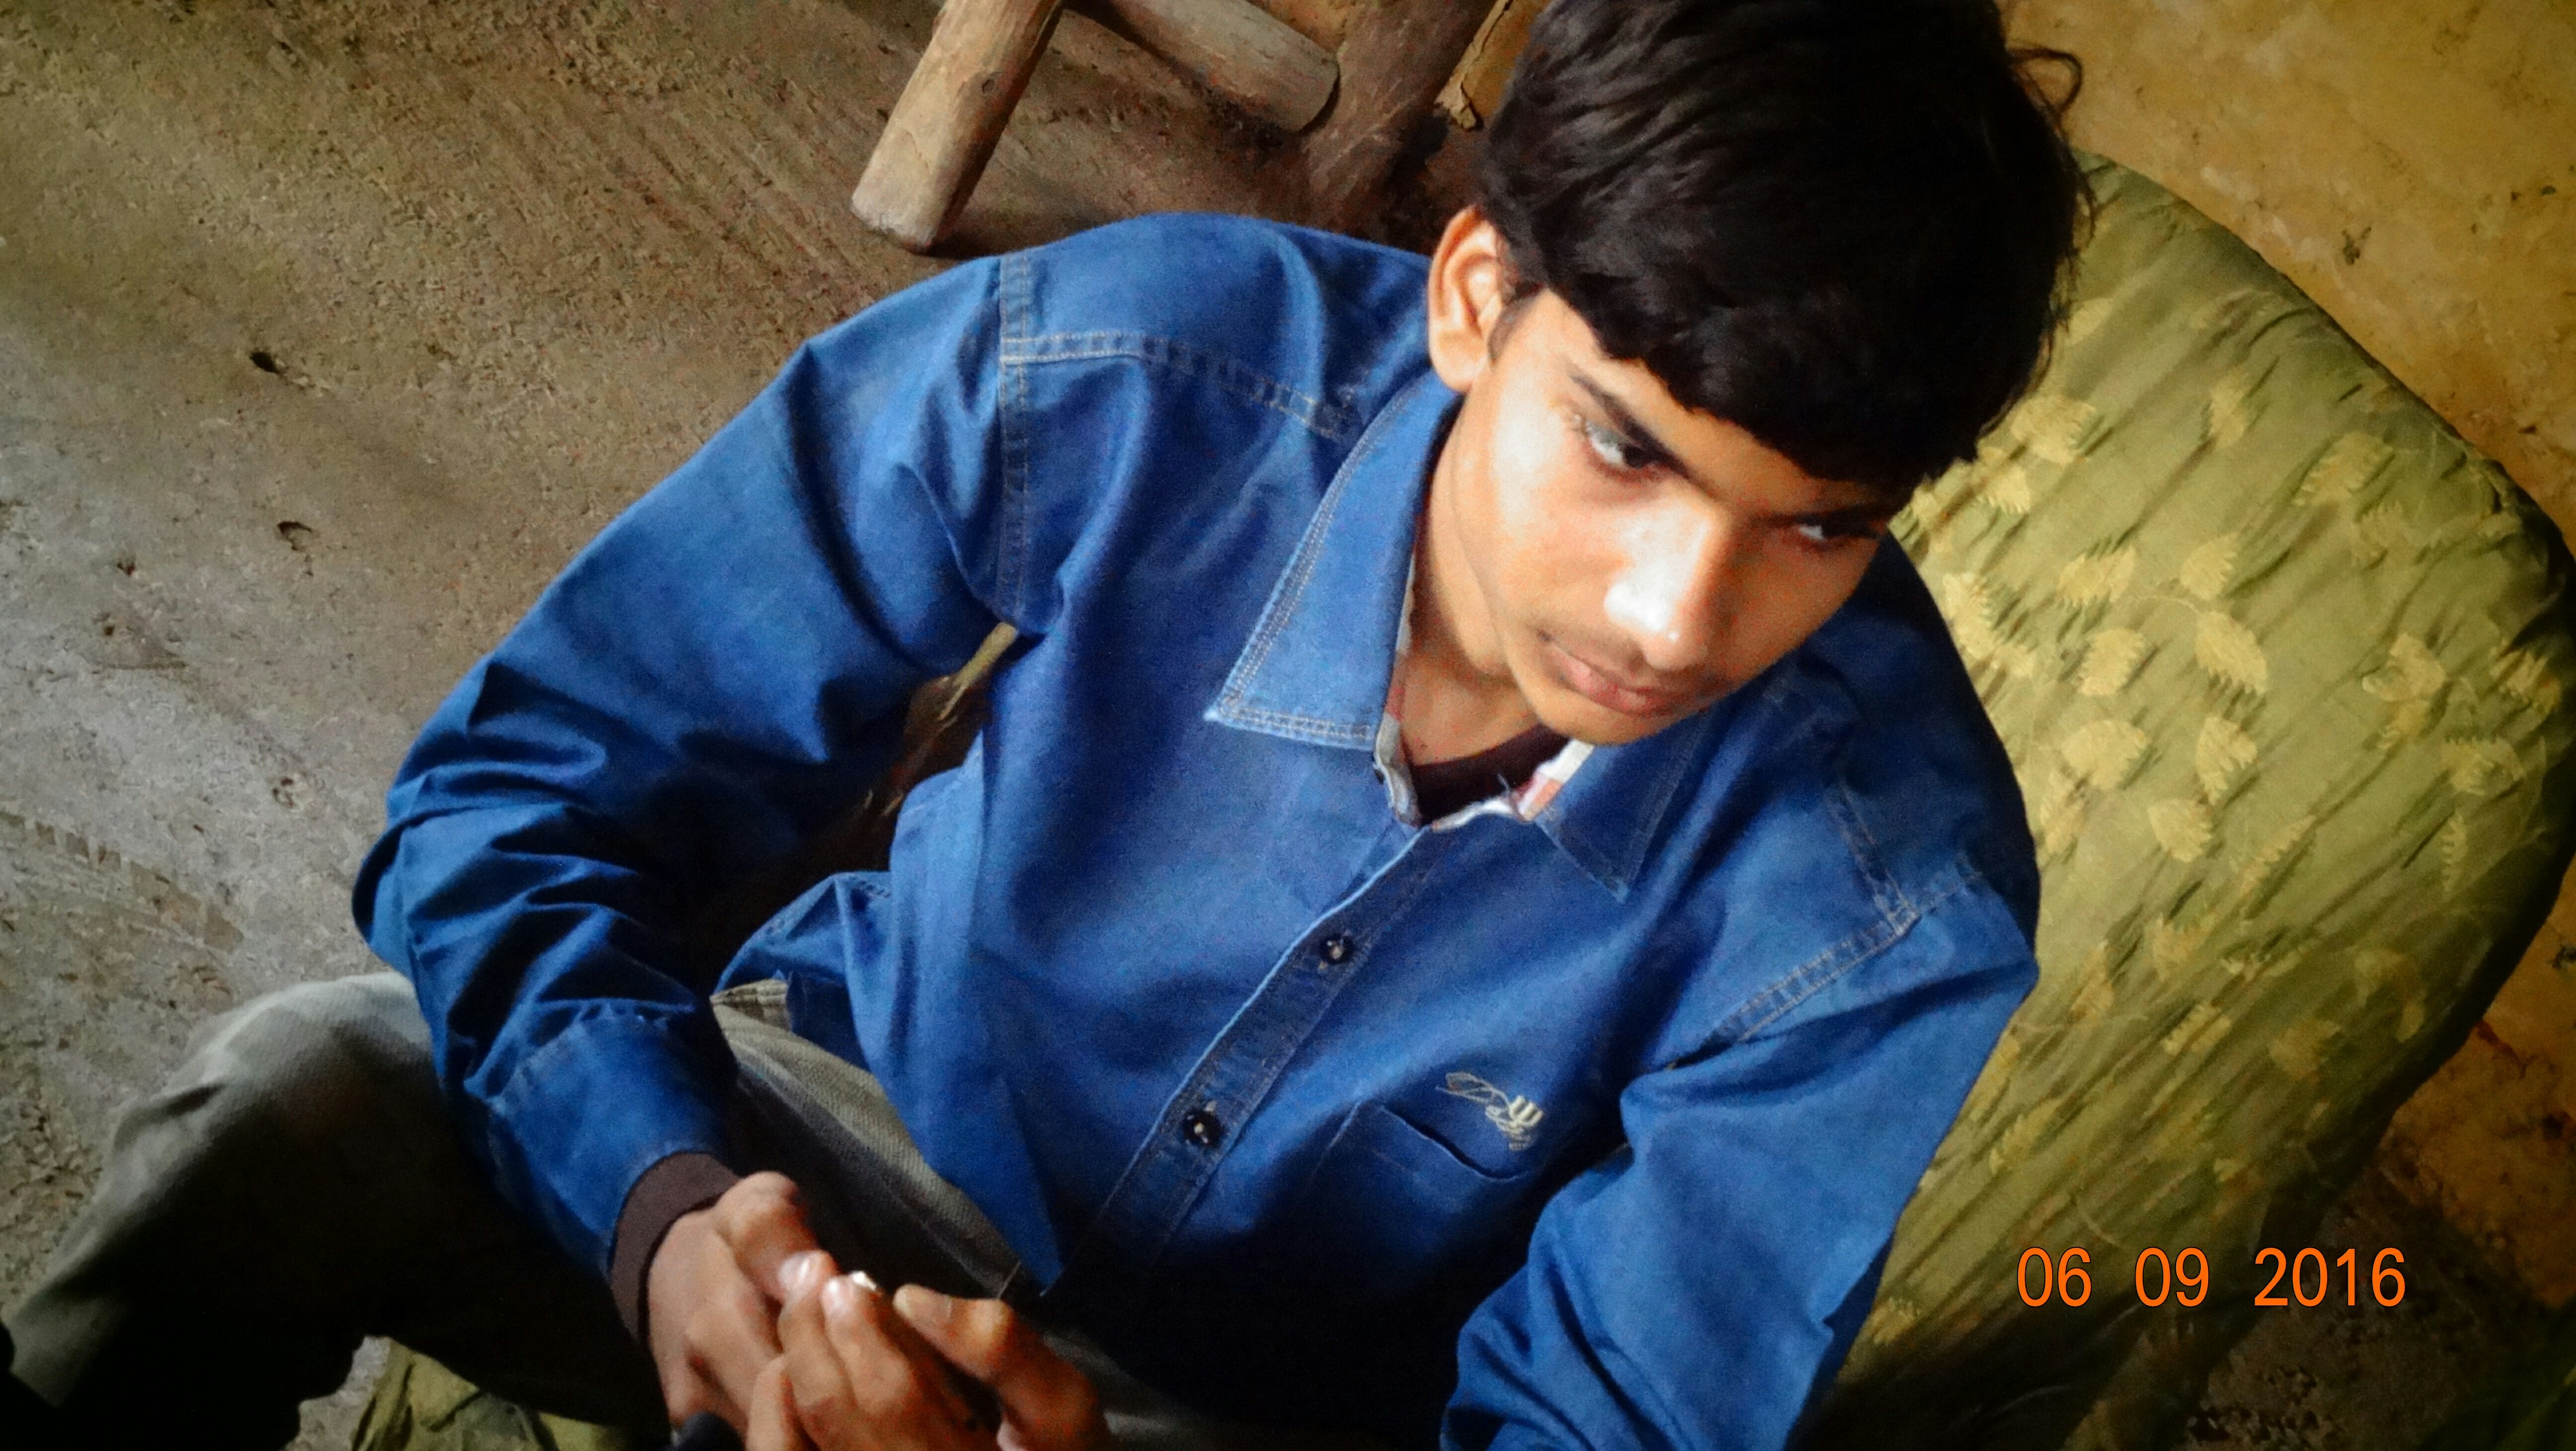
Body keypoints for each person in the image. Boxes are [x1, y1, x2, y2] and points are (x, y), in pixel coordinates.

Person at [3, 0, 2087, 1447]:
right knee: (294, 1103)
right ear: (1474, 297)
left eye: (1818, 525)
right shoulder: (1121, 374)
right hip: (837, 1136)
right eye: (1623, 449)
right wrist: (669, 1213)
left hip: (1243, 1421)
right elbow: (530, 784)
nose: (1678, 618)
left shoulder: (1888, 902)